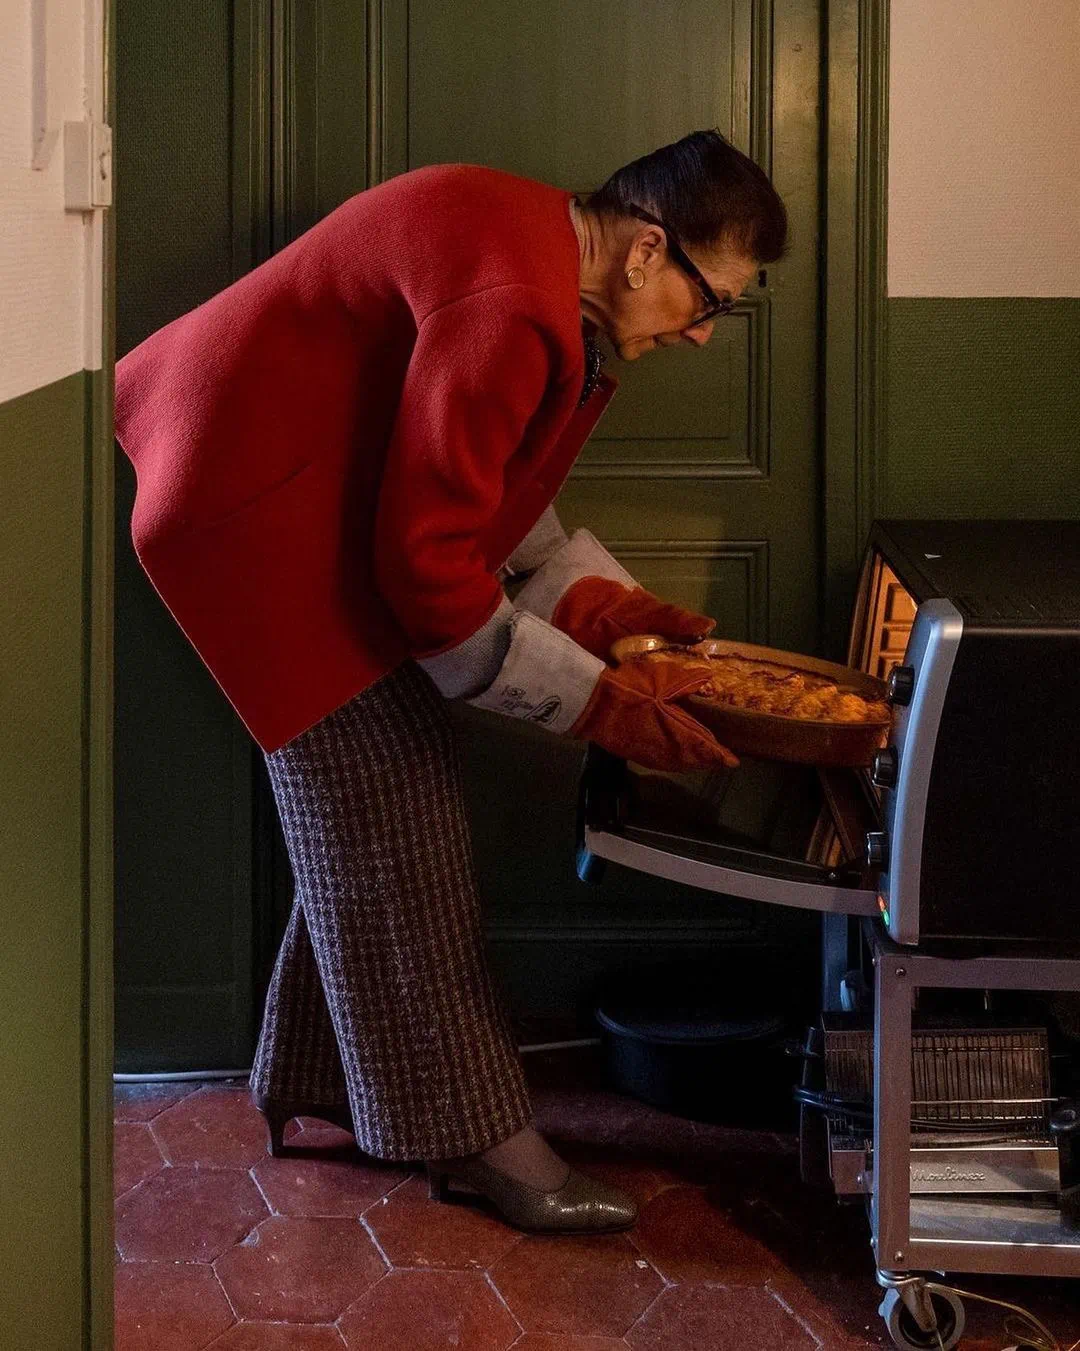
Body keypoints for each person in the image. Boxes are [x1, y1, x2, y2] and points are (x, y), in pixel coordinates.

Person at [114, 129, 788, 1235]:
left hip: (291, 482)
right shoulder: (516, 303)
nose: (705, 330)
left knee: (372, 809)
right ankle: (483, 1143)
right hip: (243, 512)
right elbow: (428, 570)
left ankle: (312, 1075)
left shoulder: (532, 244)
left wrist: (601, 613)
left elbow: (478, 479)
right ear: (644, 250)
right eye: (709, 297)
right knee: (395, 797)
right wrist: (597, 705)